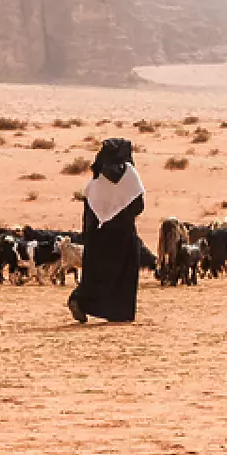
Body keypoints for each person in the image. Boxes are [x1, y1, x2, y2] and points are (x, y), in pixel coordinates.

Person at [68, 138, 145, 323]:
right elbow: (138, 206)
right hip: (123, 233)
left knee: (96, 272)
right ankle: (119, 312)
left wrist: (89, 234)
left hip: (98, 235)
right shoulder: (129, 174)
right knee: (124, 273)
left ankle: (80, 300)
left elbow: (88, 209)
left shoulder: (96, 177)